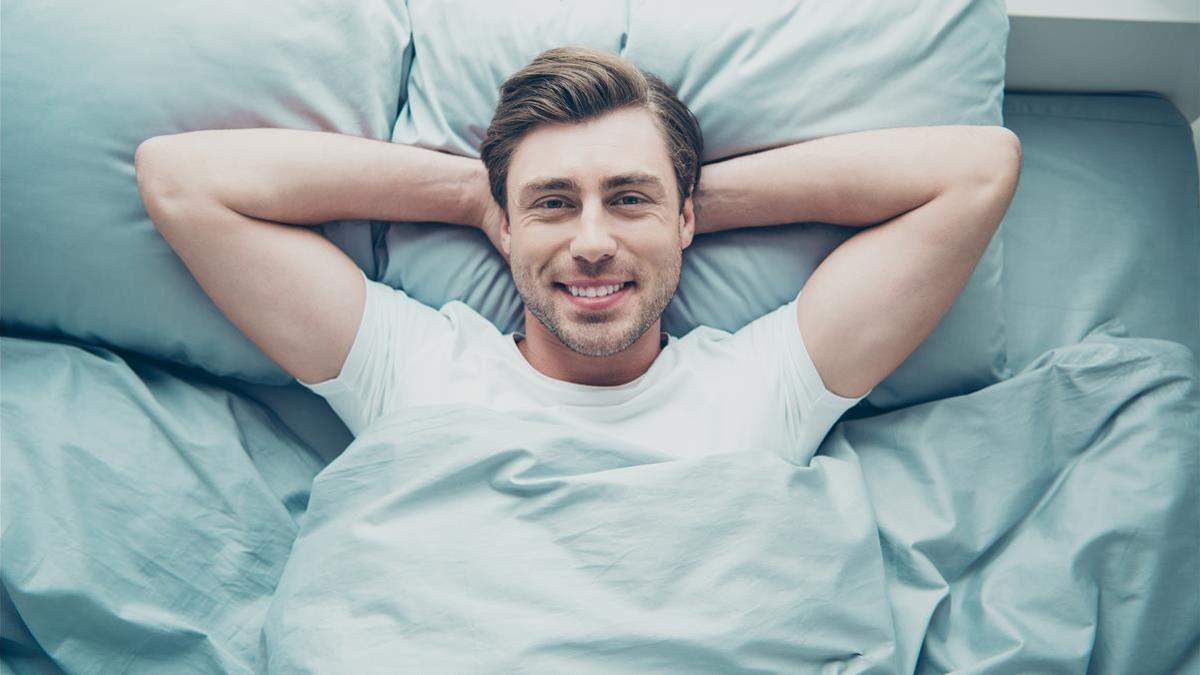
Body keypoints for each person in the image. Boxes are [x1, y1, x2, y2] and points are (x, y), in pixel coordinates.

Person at [134, 46, 1021, 464]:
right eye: (554, 204)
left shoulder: (764, 381)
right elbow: (180, 180)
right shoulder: (412, 364)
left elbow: (977, 170)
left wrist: (683, 203)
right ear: (507, 227)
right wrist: (464, 196)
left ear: (684, 218)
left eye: (627, 199)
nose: (591, 243)